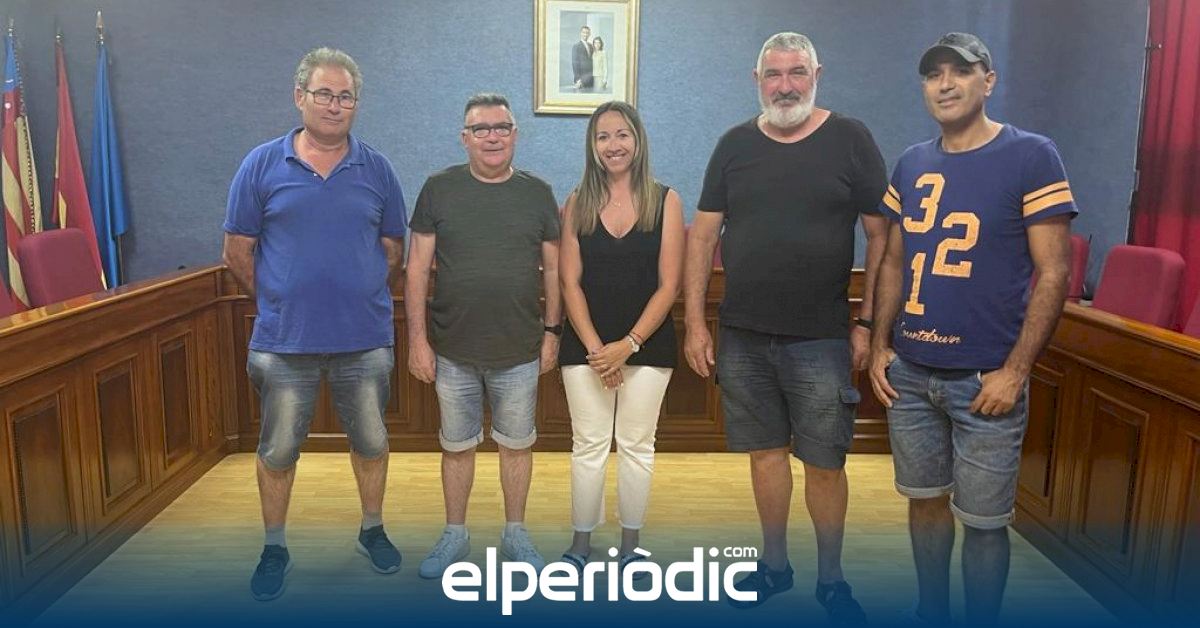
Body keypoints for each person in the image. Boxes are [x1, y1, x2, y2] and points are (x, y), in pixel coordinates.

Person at [867, 32, 1076, 627]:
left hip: (986, 380)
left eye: (960, 72)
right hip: (911, 374)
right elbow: (893, 261)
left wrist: (1016, 370)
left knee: (984, 524)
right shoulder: (911, 161)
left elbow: (1055, 271)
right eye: (933, 74)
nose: (945, 84)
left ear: (988, 81)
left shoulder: (1032, 155)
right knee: (924, 503)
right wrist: (880, 344)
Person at [684, 31, 888, 623]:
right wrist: (695, 322)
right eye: (773, 74)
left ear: (816, 75)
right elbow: (703, 236)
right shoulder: (734, 145)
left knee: (825, 462)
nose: (785, 86)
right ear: (757, 81)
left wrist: (867, 322)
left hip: (821, 336)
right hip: (744, 333)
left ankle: (832, 578)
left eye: (797, 72)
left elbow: (882, 237)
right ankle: (775, 566)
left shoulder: (851, 139)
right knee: (765, 455)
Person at [222, 47, 407, 601]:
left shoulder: (378, 169)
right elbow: (237, 250)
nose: (335, 104)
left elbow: (392, 250)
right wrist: (279, 300)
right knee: (278, 450)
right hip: (285, 342)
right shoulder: (261, 165)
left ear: (356, 104)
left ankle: (372, 529)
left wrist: (356, 290)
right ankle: (274, 546)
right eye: (324, 93)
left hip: (363, 339)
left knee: (371, 442)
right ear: (299, 96)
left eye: (346, 96)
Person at [406, 93, 562, 579]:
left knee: (517, 445)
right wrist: (417, 341)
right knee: (456, 447)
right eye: (481, 129)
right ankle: (455, 533)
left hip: (520, 348)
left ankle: (515, 532)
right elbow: (417, 270)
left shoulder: (538, 193)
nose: (492, 137)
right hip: (452, 348)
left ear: (515, 134)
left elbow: (555, 271)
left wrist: (553, 332)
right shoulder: (438, 189)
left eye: (501, 127)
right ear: (465, 137)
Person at [557, 101, 684, 575]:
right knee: (589, 444)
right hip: (586, 347)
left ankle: (631, 543)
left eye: (622, 134)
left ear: (638, 140)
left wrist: (627, 345)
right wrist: (598, 352)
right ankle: (580, 542)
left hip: (647, 345)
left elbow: (669, 285)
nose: (614, 145)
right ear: (593, 146)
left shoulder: (666, 200)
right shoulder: (576, 203)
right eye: (603, 136)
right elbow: (569, 282)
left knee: (636, 444)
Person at [572, 25, 595, 91]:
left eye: (587, 33)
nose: (585, 34)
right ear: (580, 33)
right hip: (581, 80)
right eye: (584, 32)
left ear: (589, 34)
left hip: (591, 79)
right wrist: (578, 79)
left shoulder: (591, 46)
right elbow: (575, 64)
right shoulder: (576, 46)